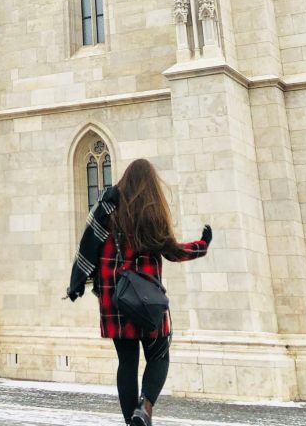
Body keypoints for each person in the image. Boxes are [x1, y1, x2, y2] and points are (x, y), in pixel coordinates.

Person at [67, 158, 212, 426]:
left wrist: (77, 281)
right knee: (159, 355)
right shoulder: (151, 214)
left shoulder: (105, 209)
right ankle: (144, 408)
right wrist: (202, 245)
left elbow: (88, 246)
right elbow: (173, 251)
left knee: (127, 363)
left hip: (114, 300)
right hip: (147, 301)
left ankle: (131, 421)